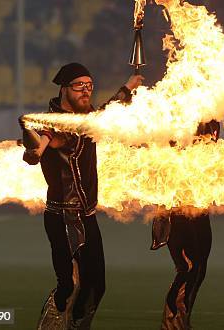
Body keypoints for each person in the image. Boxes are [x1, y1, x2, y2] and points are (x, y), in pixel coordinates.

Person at [21, 62, 143, 329]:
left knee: (96, 285)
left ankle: (77, 326)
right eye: (79, 86)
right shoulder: (51, 122)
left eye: (89, 86)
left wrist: (129, 86)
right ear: (64, 89)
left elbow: (108, 109)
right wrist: (35, 152)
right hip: (62, 217)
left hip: (86, 216)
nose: (86, 91)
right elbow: (43, 142)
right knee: (68, 286)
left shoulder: (86, 117)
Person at [152, 120, 220, 330]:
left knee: (199, 269)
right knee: (187, 268)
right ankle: (171, 324)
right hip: (177, 209)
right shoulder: (179, 116)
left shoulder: (212, 122)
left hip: (200, 209)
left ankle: (183, 320)